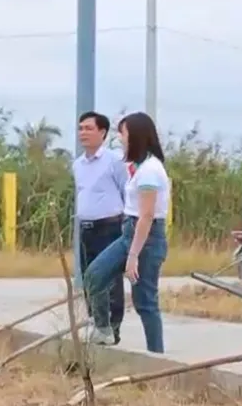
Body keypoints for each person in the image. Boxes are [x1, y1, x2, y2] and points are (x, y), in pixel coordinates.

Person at [84, 112, 171, 353]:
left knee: (145, 302)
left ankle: (156, 355)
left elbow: (147, 216)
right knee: (94, 275)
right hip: (128, 233)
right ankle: (103, 329)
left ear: (136, 136)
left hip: (147, 238)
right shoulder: (137, 167)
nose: (120, 139)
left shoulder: (151, 170)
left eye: (122, 134)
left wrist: (133, 256)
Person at [72, 111, 129, 345]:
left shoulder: (114, 161)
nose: (83, 133)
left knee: (109, 278)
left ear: (102, 133)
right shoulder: (78, 164)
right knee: (88, 276)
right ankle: (96, 322)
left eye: (88, 128)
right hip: (86, 228)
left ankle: (112, 328)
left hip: (110, 226)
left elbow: (127, 192)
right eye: (80, 128)